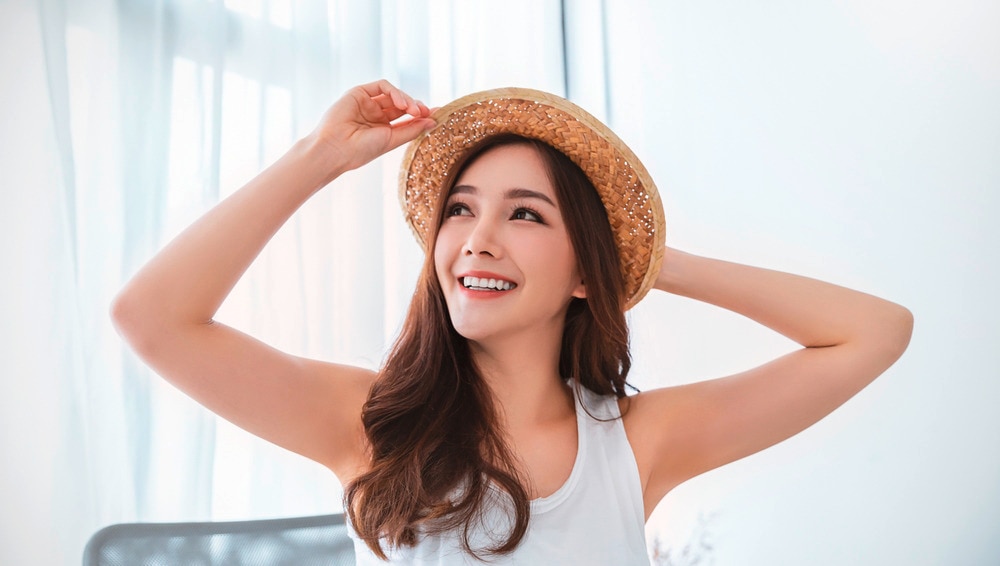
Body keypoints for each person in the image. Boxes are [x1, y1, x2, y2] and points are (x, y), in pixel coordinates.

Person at [111, 80, 913, 564]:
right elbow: (153, 319)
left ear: (580, 272)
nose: (477, 239)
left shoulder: (639, 443)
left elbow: (874, 330)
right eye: (460, 210)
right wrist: (319, 156)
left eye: (525, 215)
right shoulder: (367, 426)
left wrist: (645, 260)